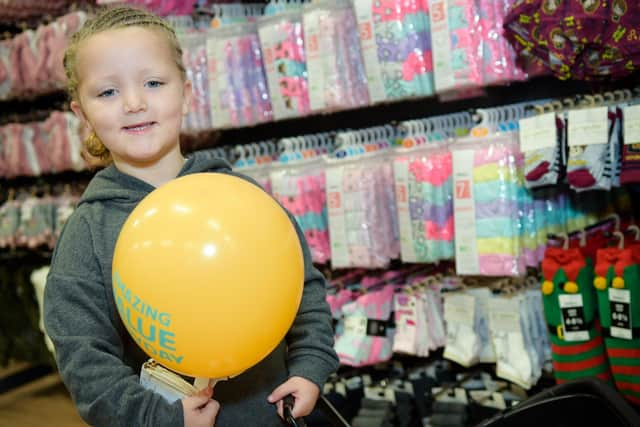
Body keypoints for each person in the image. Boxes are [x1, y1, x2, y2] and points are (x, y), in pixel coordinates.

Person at [43, 6, 339, 427]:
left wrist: (311, 364)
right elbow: (83, 355)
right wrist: (154, 415)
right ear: (82, 114)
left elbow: (301, 289)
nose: (134, 102)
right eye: (107, 92)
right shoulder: (87, 233)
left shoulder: (241, 198)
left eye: (153, 82)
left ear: (186, 90)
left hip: (271, 414)